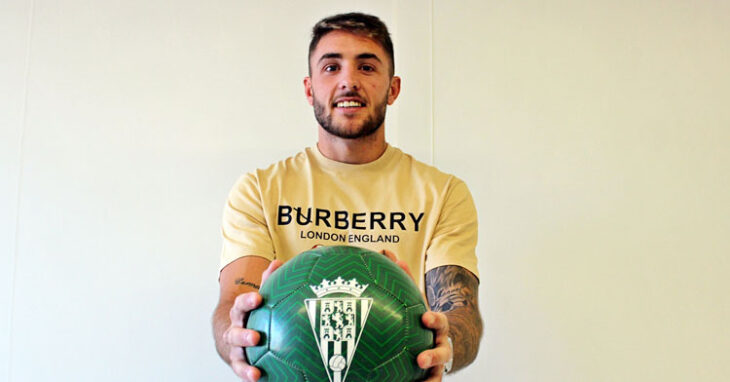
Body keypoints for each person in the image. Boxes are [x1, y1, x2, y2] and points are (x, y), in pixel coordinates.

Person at [212, 12, 482, 381]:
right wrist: (234, 338)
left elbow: (460, 311)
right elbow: (233, 302)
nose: (348, 81)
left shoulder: (443, 193)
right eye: (331, 67)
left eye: (367, 67)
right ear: (309, 89)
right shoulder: (259, 189)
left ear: (393, 88)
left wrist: (446, 348)